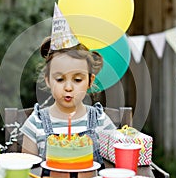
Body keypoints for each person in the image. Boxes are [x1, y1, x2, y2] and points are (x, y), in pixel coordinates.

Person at [20, 36, 116, 166]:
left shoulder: (100, 121)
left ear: (90, 81)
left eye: (77, 80)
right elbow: (28, 173)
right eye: (60, 79)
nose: (68, 88)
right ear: (48, 80)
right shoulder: (36, 123)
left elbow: (113, 167)